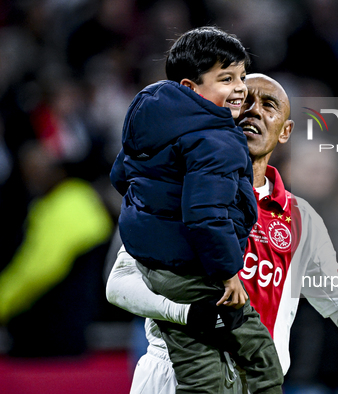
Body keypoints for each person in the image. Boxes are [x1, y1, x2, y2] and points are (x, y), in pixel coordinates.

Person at [106, 73, 338, 393]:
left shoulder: (302, 219)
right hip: (175, 378)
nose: (254, 111)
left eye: (268, 105)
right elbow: (118, 285)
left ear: (284, 132)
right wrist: (188, 313)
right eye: (244, 101)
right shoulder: (176, 189)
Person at [109, 27, 282, 394]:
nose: (240, 89)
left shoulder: (152, 123)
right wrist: (227, 273)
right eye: (226, 79)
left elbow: (120, 174)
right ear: (190, 87)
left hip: (165, 267)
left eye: (240, 76)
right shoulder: (215, 140)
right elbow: (205, 215)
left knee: (258, 357)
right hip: (174, 336)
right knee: (220, 373)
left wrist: (157, 204)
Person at [0, 140, 113, 356]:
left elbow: (37, 270)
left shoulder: (65, 206)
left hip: (49, 334)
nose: (31, 177)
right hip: (75, 326)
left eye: (37, 170)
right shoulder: (82, 200)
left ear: (57, 170)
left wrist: (2, 301)